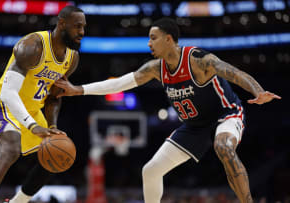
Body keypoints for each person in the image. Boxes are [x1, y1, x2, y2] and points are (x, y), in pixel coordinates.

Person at [54, 18, 281, 203]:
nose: (149, 44)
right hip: (194, 126)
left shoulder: (198, 60)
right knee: (150, 171)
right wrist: (78, 90)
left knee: (222, 146)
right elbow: (119, 83)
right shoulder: (155, 69)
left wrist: (258, 91)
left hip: (226, 115)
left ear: (169, 39)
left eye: (153, 38)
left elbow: (235, 72)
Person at [0, 6, 86, 203]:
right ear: (62, 24)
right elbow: (9, 93)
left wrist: (52, 126)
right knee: (10, 149)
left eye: (84, 27)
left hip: (33, 110)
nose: (82, 32)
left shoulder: (72, 58)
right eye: (77, 26)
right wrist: (32, 125)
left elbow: (53, 97)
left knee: (55, 156)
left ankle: (19, 201)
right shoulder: (33, 46)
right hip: (2, 102)